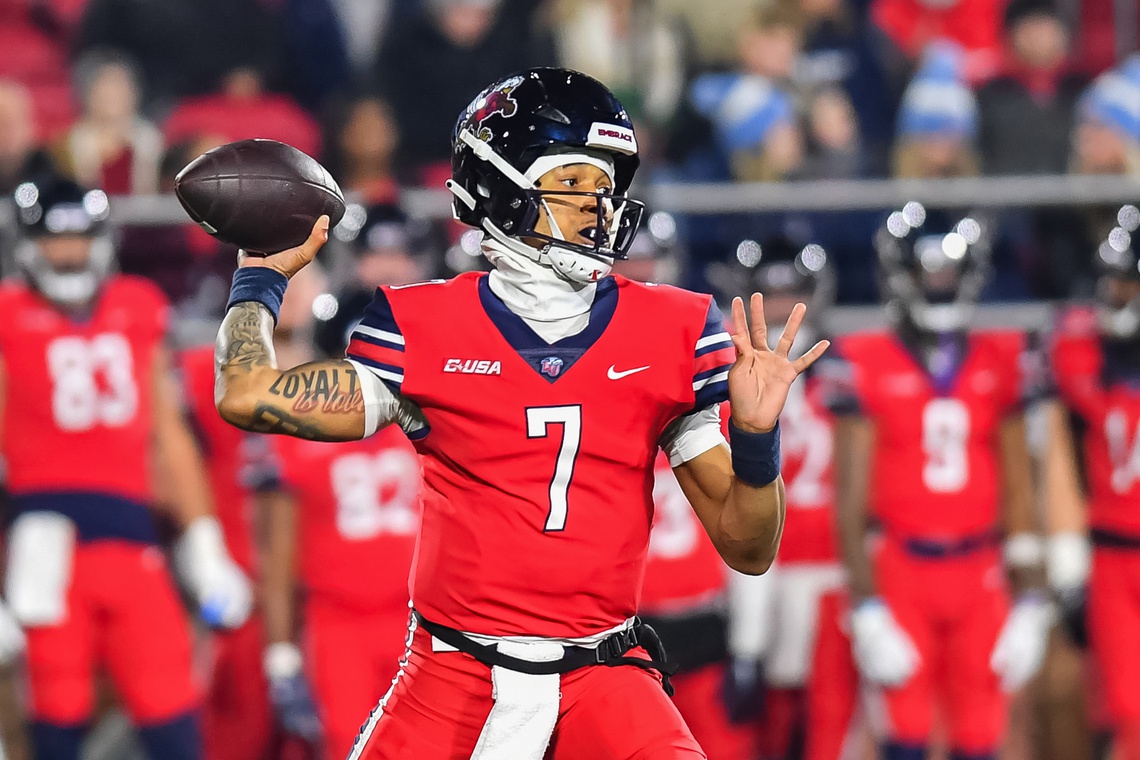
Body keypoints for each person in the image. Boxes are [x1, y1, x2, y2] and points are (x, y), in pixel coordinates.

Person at [211, 67, 828, 759]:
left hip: (603, 674)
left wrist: (754, 439)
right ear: (500, 187)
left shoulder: (673, 329)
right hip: (452, 674)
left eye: (606, 185)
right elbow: (247, 394)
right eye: (572, 183)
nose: (598, 205)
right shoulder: (423, 324)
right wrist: (260, 275)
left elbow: (750, 548)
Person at [0, 175, 253, 760]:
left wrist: (204, 547)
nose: (68, 254)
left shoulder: (136, 307)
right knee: (53, 724)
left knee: (171, 714)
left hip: (133, 541)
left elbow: (167, 440)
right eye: (54, 242)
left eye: (79, 240)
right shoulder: (10, 315)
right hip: (44, 547)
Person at [827, 203, 1053, 759]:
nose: (940, 285)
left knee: (980, 739)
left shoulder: (1000, 357)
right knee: (905, 738)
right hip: (902, 568)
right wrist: (866, 605)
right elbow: (850, 500)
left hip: (981, 573)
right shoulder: (867, 358)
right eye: (929, 274)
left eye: (949, 273)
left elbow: (1020, 486)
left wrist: (1031, 597)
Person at [260, 263, 423, 760]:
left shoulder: (426, 427)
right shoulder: (300, 438)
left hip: (420, 618)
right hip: (338, 622)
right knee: (350, 746)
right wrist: (282, 652)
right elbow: (279, 555)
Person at [1048, 205, 1140, 760]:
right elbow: (1060, 455)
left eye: (1128, 286)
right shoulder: (1080, 355)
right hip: (1110, 552)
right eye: (1114, 285)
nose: (1115, 298)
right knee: (1122, 713)